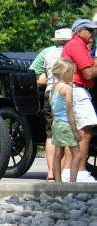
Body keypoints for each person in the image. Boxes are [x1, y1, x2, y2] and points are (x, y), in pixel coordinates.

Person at [61, 18, 97, 182]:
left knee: (75, 132)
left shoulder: (75, 45)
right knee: (84, 129)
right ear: (79, 31)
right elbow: (88, 73)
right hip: (77, 89)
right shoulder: (77, 45)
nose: (93, 33)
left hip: (73, 89)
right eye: (89, 30)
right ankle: (80, 171)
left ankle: (70, 171)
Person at [40, 28, 72, 180]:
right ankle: (64, 171)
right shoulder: (69, 53)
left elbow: (43, 75)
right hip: (64, 91)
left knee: (51, 133)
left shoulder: (48, 54)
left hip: (50, 92)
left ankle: (51, 172)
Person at [50, 58, 81, 182]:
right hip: (66, 124)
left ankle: (58, 181)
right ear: (66, 73)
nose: (74, 76)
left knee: (58, 153)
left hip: (56, 122)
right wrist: (75, 131)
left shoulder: (54, 88)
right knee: (77, 154)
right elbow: (70, 111)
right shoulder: (67, 89)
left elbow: (52, 110)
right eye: (73, 73)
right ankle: (73, 182)